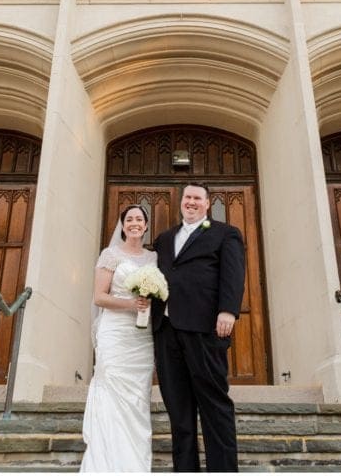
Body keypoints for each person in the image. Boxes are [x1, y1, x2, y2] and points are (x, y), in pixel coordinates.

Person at [152, 183, 246, 472]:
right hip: (167, 330)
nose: (191, 202)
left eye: (197, 198)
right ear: (180, 203)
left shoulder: (225, 233)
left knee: (214, 404)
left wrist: (228, 310)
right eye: (187, 198)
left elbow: (233, 274)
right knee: (178, 409)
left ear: (207, 204)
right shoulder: (164, 239)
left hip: (206, 329)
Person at [80, 204, 156, 473]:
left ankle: (135, 463)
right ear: (122, 226)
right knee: (112, 391)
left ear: (146, 226)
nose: (135, 223)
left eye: (139, 219)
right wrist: (131, 304)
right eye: (129, 219)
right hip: (115, 333)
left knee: (137, 397)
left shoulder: (153, 258)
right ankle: (106, 462)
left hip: (142, 337)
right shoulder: (110, 255)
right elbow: (99, 297)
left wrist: (150, 301)